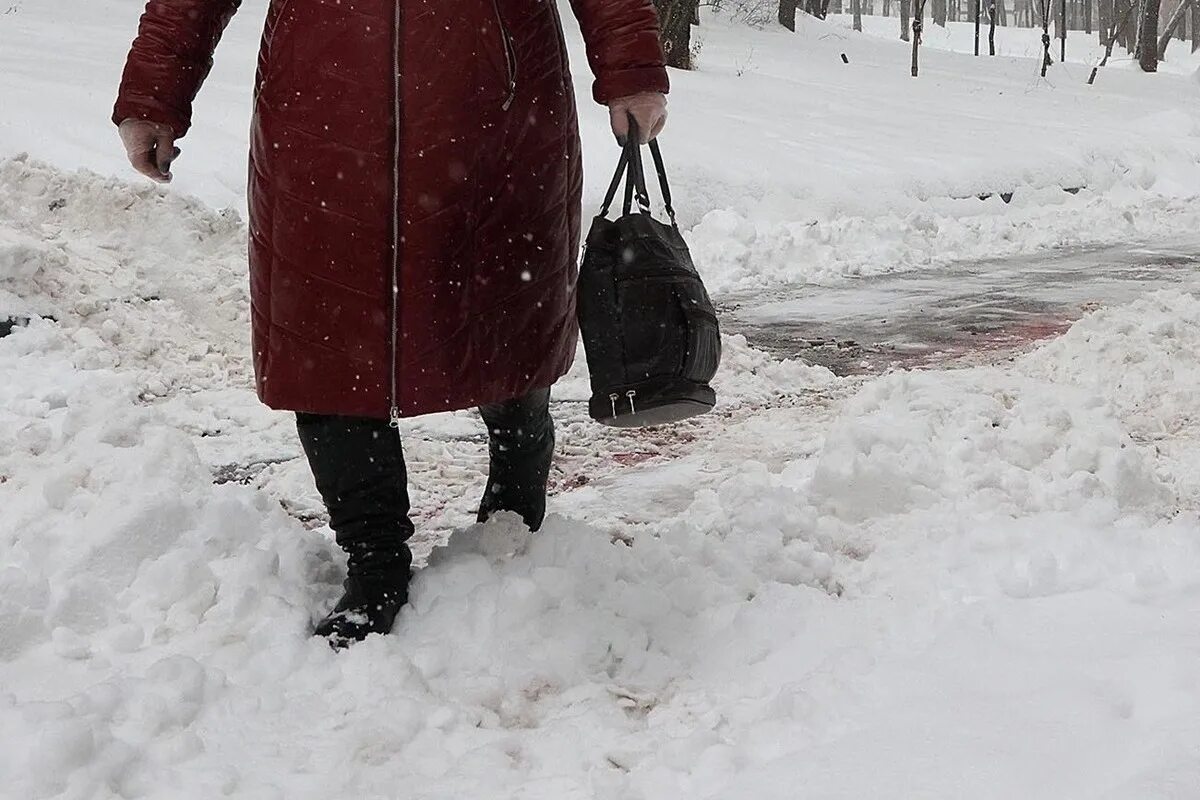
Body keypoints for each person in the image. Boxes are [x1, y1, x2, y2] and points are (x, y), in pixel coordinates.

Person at [114, 0, 669, 648]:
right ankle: (374, 561)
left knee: (504, 321)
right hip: (324, 109)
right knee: (326, 337)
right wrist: (154, 92)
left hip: (494, 106)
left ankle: (514, 515)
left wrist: (631, 68)